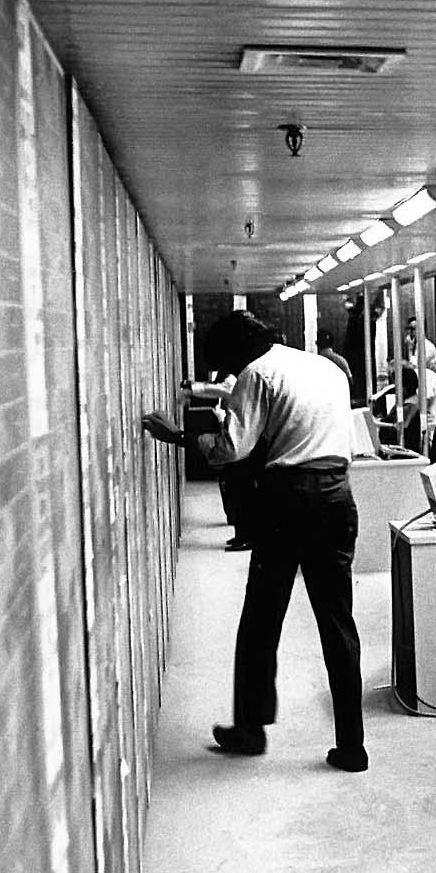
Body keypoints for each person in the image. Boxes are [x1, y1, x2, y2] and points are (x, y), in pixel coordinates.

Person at [140, 311, 367, 772]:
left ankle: (250, 729)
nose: (228, 372)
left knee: (261, 619)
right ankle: (352, 746)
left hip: (289, 504)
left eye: (227, 362)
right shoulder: (324, 368)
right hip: (339, 498)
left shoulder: (256, 374)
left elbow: (231, 449)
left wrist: (179, 437)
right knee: (338, 622)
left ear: (238, 351)